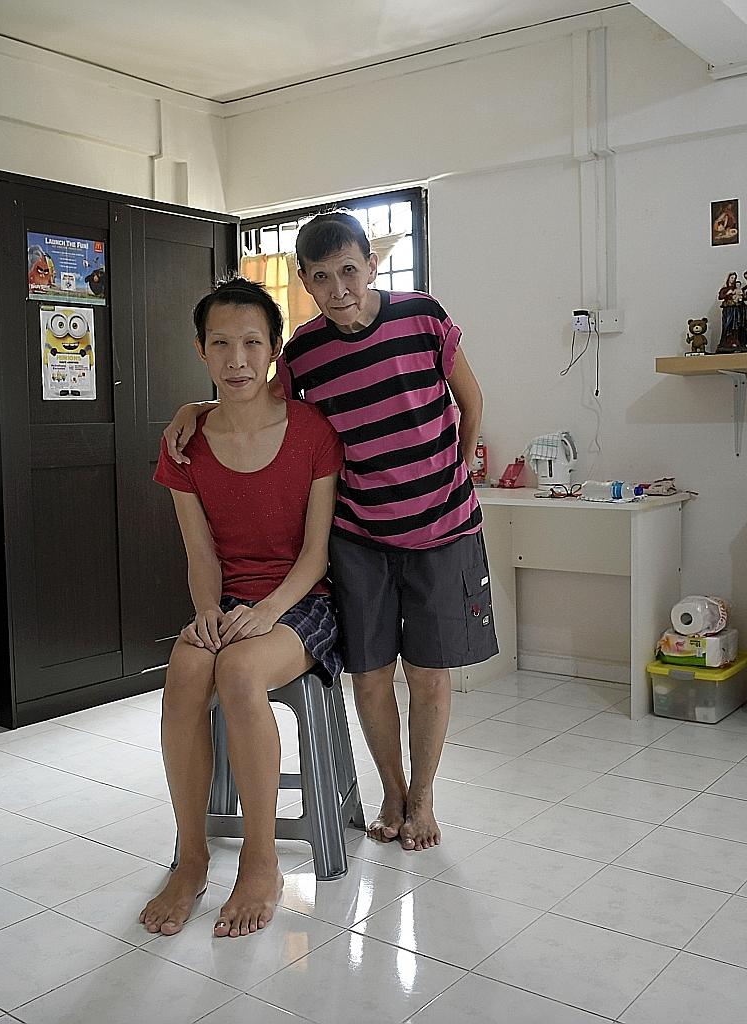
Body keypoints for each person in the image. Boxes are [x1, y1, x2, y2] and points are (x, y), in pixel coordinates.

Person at [165, 211, 495, 853]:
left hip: (444, 527)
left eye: (350, 270)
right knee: (370, 674)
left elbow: (471, 402)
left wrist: (460, 468)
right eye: (322, 278)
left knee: (428, 672)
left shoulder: (423, 316)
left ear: (372, 264)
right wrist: (194, 408)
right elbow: (254, 396)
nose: (340, 289)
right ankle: (391, 792)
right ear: (305, 283)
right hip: (361, 537)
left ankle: (422, 798)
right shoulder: (304, 352)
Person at [140, 278, 344, 939]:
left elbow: (316, 556)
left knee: (236, 672)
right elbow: (201, 555)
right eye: (221, 344)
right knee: (186, 670)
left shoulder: (312, 431)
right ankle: (192, 857)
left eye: (252, 342)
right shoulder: (185, 444)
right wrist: (206, 611)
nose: (237, 358)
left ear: (274, 349)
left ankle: (261, 862)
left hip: (303, 601)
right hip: (229, 599)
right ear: (201, 351)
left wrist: (270, 611)